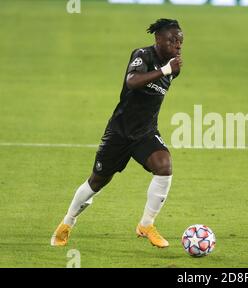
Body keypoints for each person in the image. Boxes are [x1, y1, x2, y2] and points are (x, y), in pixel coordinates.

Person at [51, 19, 184, 248]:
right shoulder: (143, 55)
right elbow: (132, 82)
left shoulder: (174, 67)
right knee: (96, 182)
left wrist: (169, 68)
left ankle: (146, 224)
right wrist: (164, 69)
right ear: (158, 39)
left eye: (180, 41)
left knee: (164, 166)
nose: (178, 45)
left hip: (145, 132)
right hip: (119, 132)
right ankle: (67, 222)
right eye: (172, 40)